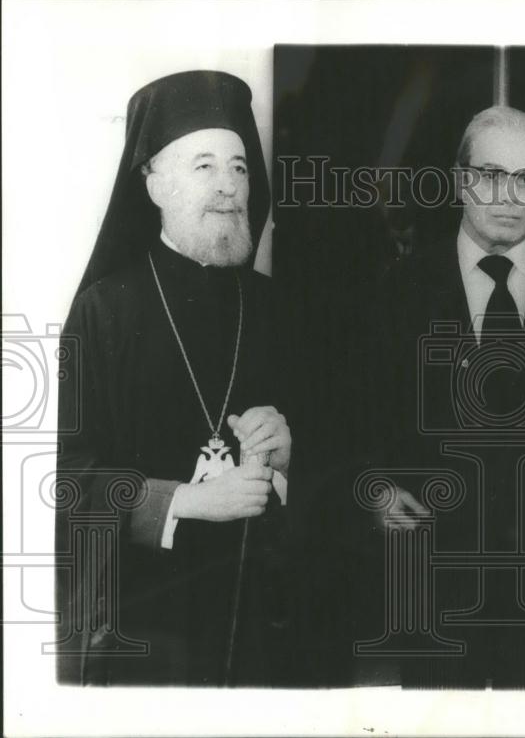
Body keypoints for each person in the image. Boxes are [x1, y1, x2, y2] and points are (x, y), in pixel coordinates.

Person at [56, 70, 295, 686]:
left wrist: (289, 455)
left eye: (240, 168)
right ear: (155, 184)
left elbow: (336, 462)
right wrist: (185, 500)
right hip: (145, 626)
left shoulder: (276, 309)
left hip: (258, 624)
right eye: (204, 167)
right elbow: (65, 479)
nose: (228, 188)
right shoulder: (103, 312)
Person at [368, 106, 525, 688]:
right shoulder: (397, 290)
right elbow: (364, 415)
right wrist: (376, 491)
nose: (509, 196)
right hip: (429, 575)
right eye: (490, 174)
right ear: (460, 179)